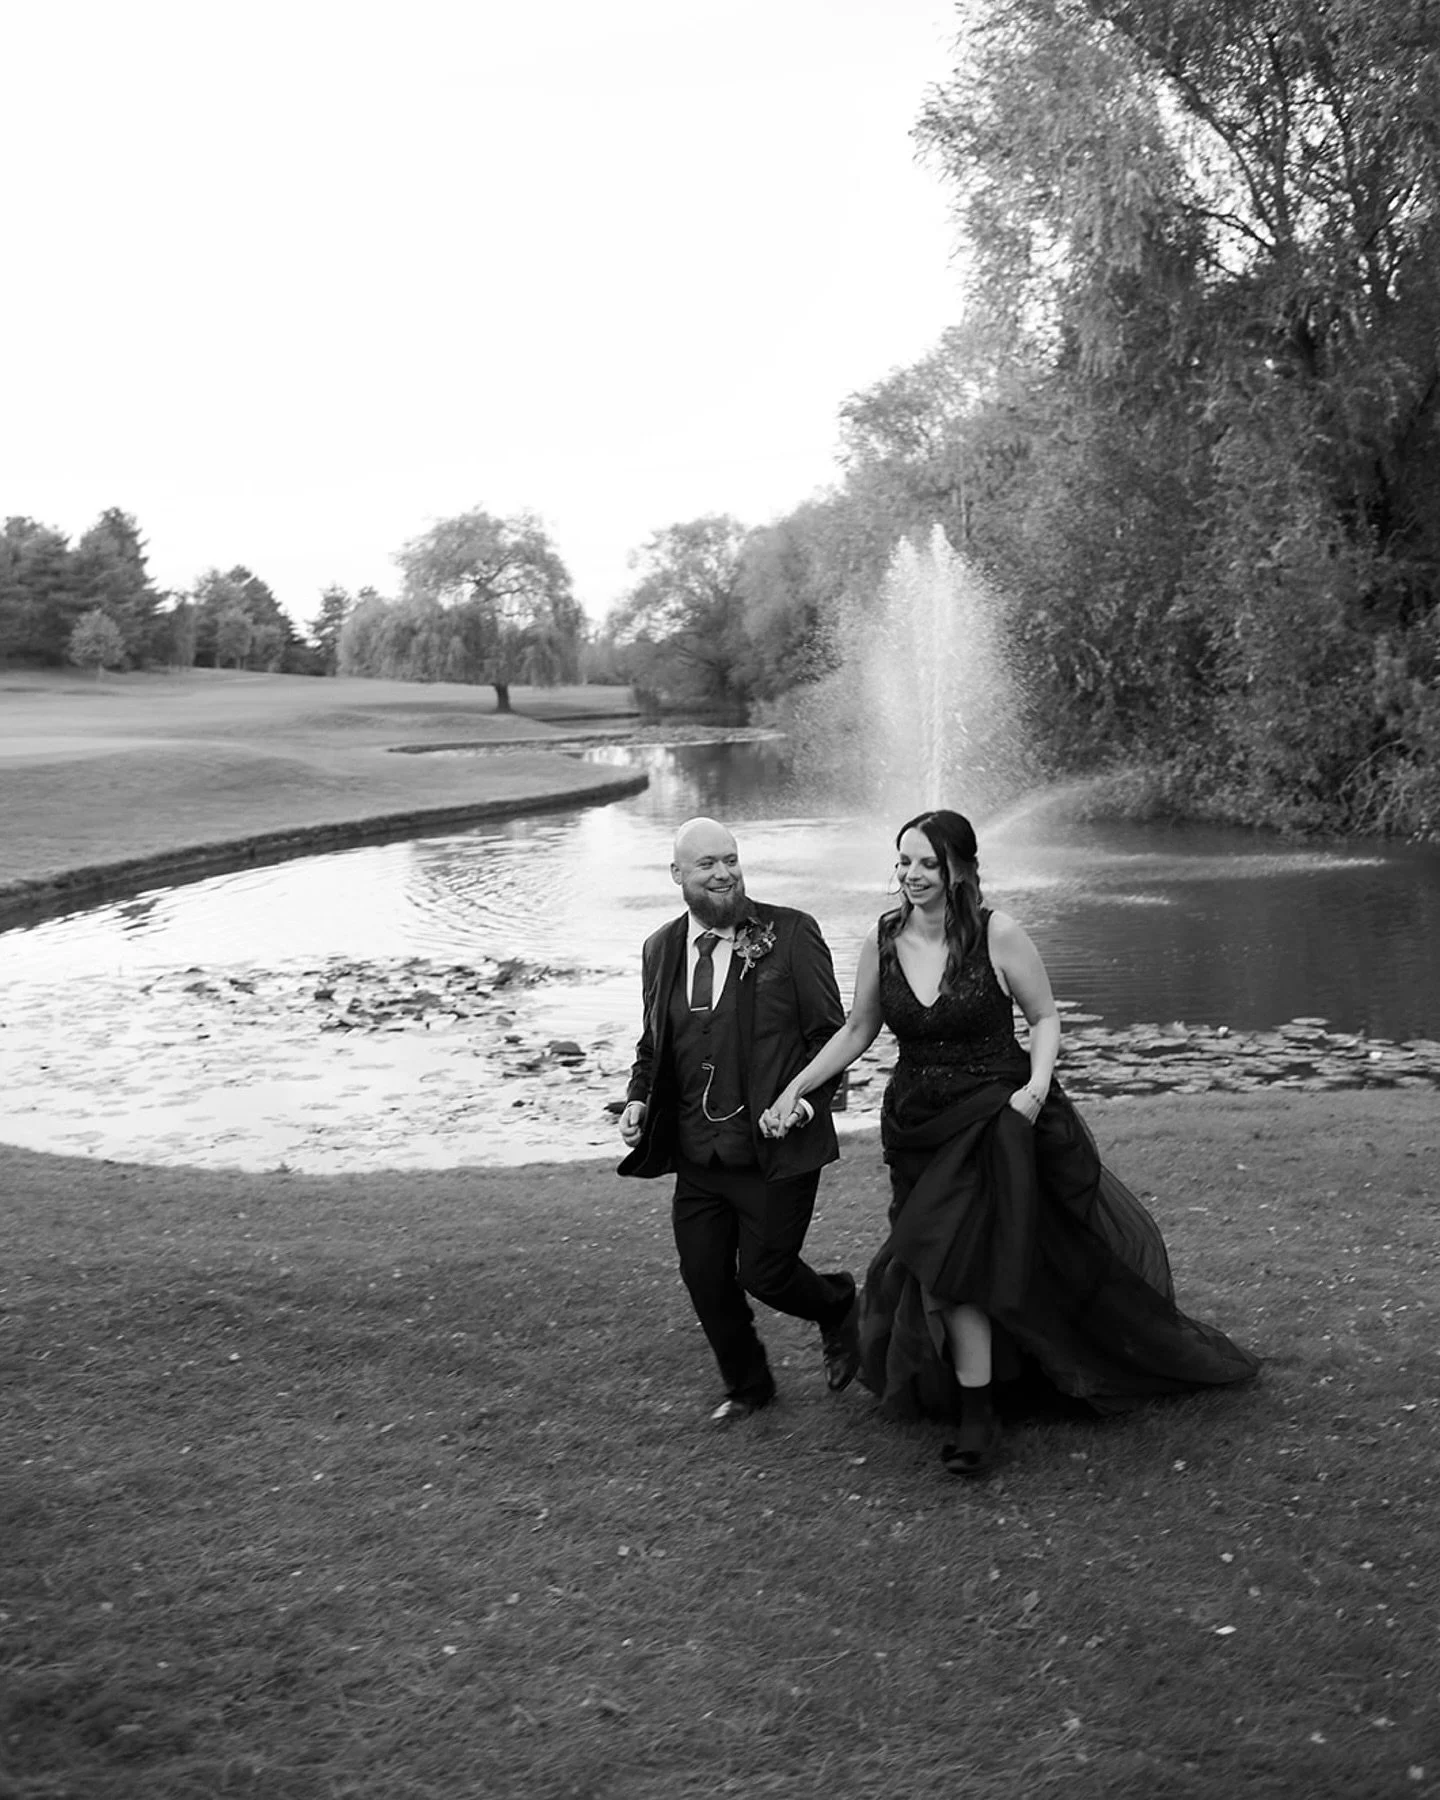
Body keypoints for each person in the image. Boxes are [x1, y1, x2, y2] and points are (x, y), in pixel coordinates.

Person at [761, 808, 1259, 1475]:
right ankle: (1000, 1388)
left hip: (993, 1117)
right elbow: (857, 1030)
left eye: (927, 863)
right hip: (914, 1126)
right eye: (904, 861)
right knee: (952, 1263)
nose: (912, 875)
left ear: (960, 868)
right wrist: (796, 1088)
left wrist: (1036, 1086)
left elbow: (1045, 1017)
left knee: (953, 1269)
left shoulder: (999, 934)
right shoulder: (883, 938)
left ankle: (978, 1418)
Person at [618, 816, 860, 1426]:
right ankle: (749, 1385)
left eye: (731, 859)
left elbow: (831, 1038)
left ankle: (837, 1306)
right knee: (704, 1276)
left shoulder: (793, 933)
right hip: (699, 1155)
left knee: (766, 1272)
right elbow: (653, 1045)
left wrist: (802, 1103)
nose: (724, 872)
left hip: (777, 1148)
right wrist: (638, 1099)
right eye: (707, 864)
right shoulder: (659, 948)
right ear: (678, 875)